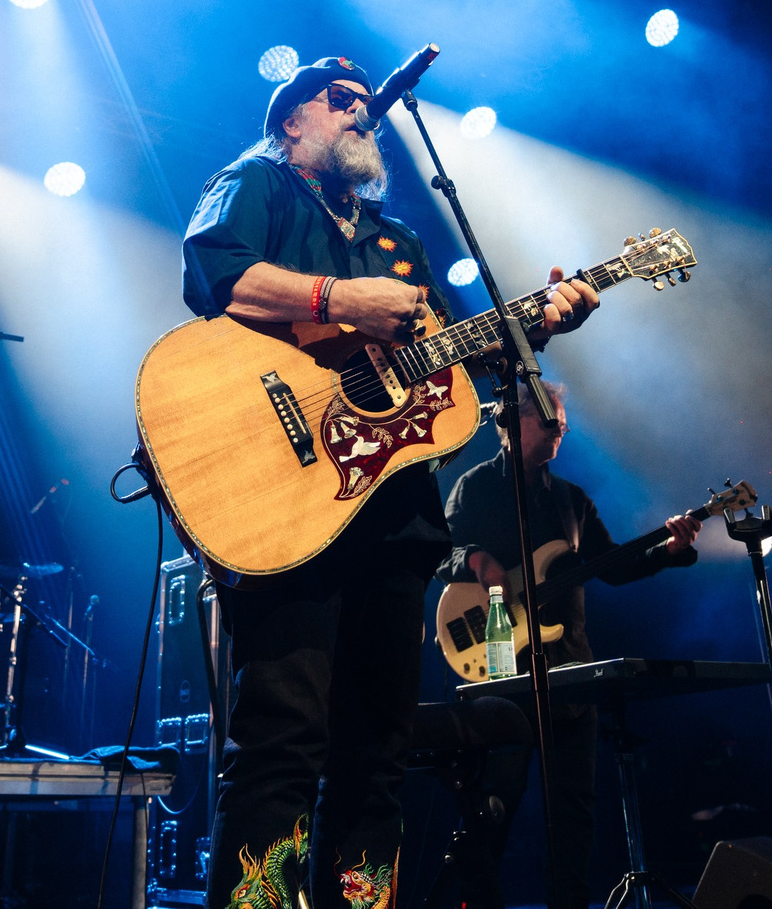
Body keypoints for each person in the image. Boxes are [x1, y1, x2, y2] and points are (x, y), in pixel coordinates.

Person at [181, 55, 600, 909]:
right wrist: (340, 298)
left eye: (365, 100)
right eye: (339, 99)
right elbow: (217, 272)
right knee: (284, 739)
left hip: (392, 516)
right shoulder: (256, 181)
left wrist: (534, 327)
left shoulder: (397, 245)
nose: (361, 108)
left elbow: (443, 367)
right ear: (292, 119)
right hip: (286, 501)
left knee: (378, 751)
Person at [441, 381, 700, 909]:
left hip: (570, 674)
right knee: (494, 807)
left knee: (574, 814)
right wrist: (476, 562)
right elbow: (437, 553)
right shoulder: (474, 486)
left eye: (561, 420)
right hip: (502, 673)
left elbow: (614, 566)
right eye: (547, 419)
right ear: (509, 423)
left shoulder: (571, 501)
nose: (559, 429)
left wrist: (669, 551)